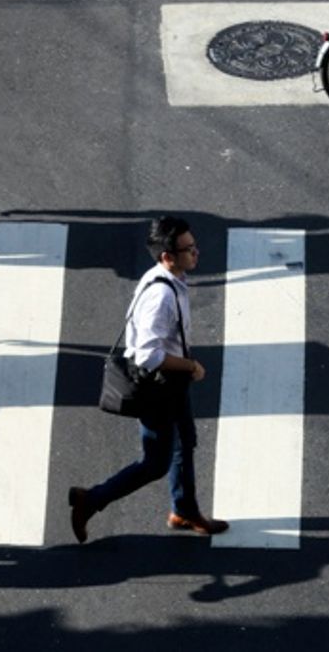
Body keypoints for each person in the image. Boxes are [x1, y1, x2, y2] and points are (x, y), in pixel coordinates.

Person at [68, 217, 229, 543]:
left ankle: (184, 509)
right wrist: (191, 366)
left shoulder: (167, 278)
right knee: (155, 463)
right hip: (160, 386)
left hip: (173, 383)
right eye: (188, 249)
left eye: (194, 245)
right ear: (167, 256)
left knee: (186, 441)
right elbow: (147, 356)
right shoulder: (162, 296)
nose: (196, 252)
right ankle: (91, 500)